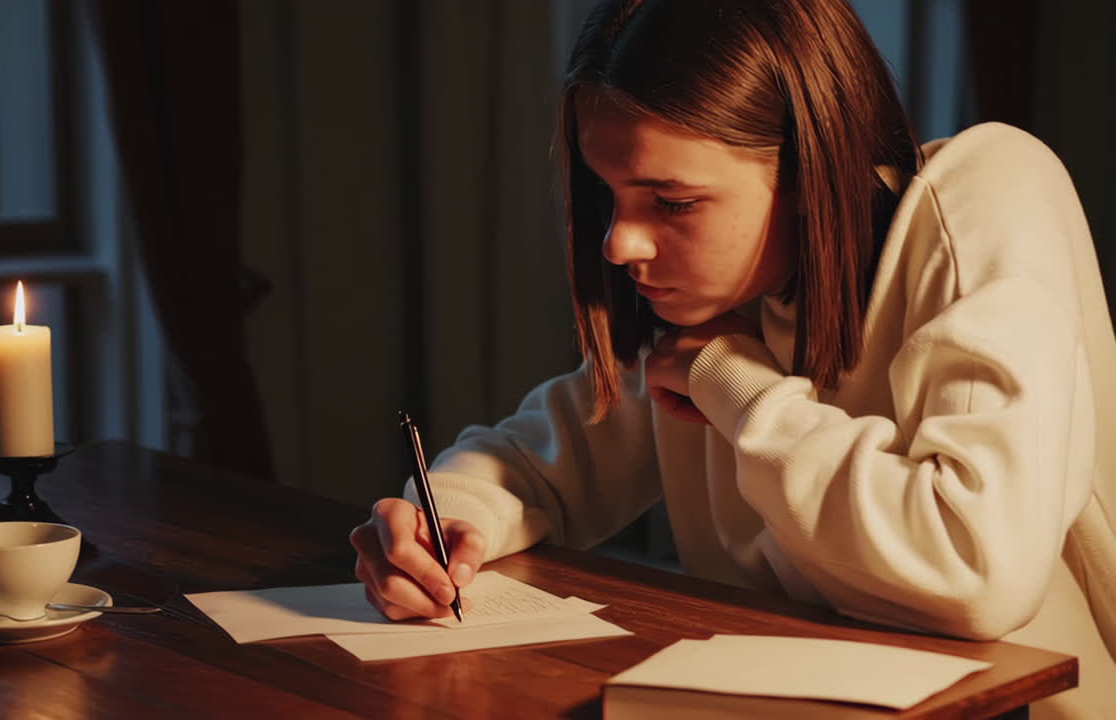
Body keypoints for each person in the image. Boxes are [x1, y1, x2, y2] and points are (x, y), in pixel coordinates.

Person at [348, 0, 1116, 716]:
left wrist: (739, 389)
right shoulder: (721, 302)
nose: (619, 243)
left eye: (673, 202)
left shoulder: (988, 193)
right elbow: (542, 462)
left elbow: (978, 570)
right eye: (608, 194)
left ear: (815, 166)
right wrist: (442, 524)